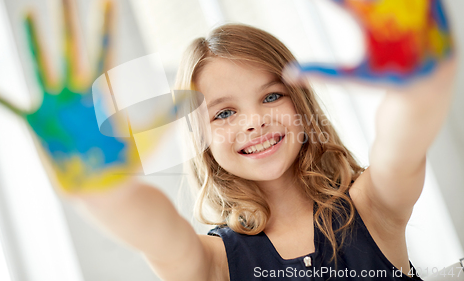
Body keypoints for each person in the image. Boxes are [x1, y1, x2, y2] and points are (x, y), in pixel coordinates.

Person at [74, 22, 457, 281]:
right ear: (200, 135)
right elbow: (155, 230)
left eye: (271, 96)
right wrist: (98, 182)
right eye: (225, 112)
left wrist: (414, 83)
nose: (253, 122)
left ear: (301, 104)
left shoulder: (374, 208)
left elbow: (400, 145)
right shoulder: (214, 262)